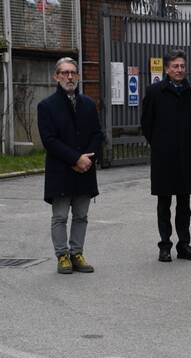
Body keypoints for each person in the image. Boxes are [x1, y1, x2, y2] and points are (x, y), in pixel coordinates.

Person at [37, 57, 104, 274]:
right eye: (64, 73)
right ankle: (62, 256)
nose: (69, 76)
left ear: (78, 76)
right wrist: (76, 159)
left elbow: (97, 134)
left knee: (82, 215)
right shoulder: (46, 106)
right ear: (56, 76)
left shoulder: (88, 104)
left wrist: (88, 160)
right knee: (60, 216)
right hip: (61, 170)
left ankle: (77, 254)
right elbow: (49, 140)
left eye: (73, 72)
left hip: (85, 170)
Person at [141, 49, 191, 263]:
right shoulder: (154, 92)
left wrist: (188, 142)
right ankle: (165, 245)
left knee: (184, 203)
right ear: (167, 69)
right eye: (175, 66)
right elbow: (147, 124)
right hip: (164, 156)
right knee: (164, 202)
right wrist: (160, 144)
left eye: (182, 66)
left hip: (187, 155)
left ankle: (184, 244)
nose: (179, 70)